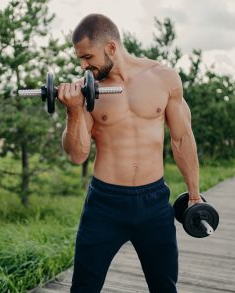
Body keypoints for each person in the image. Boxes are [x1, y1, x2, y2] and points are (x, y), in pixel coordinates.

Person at [57, 13, 202, 293]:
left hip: (154, 203)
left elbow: (182, 140)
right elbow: (77, 155)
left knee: (164, 286)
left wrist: (194, 196)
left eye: (87, 57)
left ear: (111, 48)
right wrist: (73, 111)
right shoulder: (88, 90)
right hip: (104, 205)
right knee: (84, 288)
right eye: (80, 59)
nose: (83, 65)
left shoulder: (164, 78)